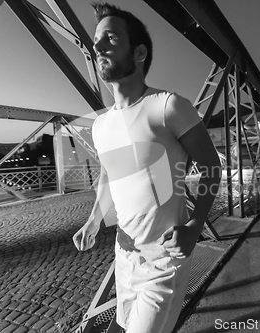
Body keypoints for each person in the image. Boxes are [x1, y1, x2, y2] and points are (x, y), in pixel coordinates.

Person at [72, 2, 222, 333]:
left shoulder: (167, 107)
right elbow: (110, 176)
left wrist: (195, 226)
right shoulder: (100, 126)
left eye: (109, 38)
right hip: (125, 256)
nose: (97, 47)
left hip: (164, 261)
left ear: (139, 53)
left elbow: (212, 166)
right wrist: (94, 220)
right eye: (96, 40)